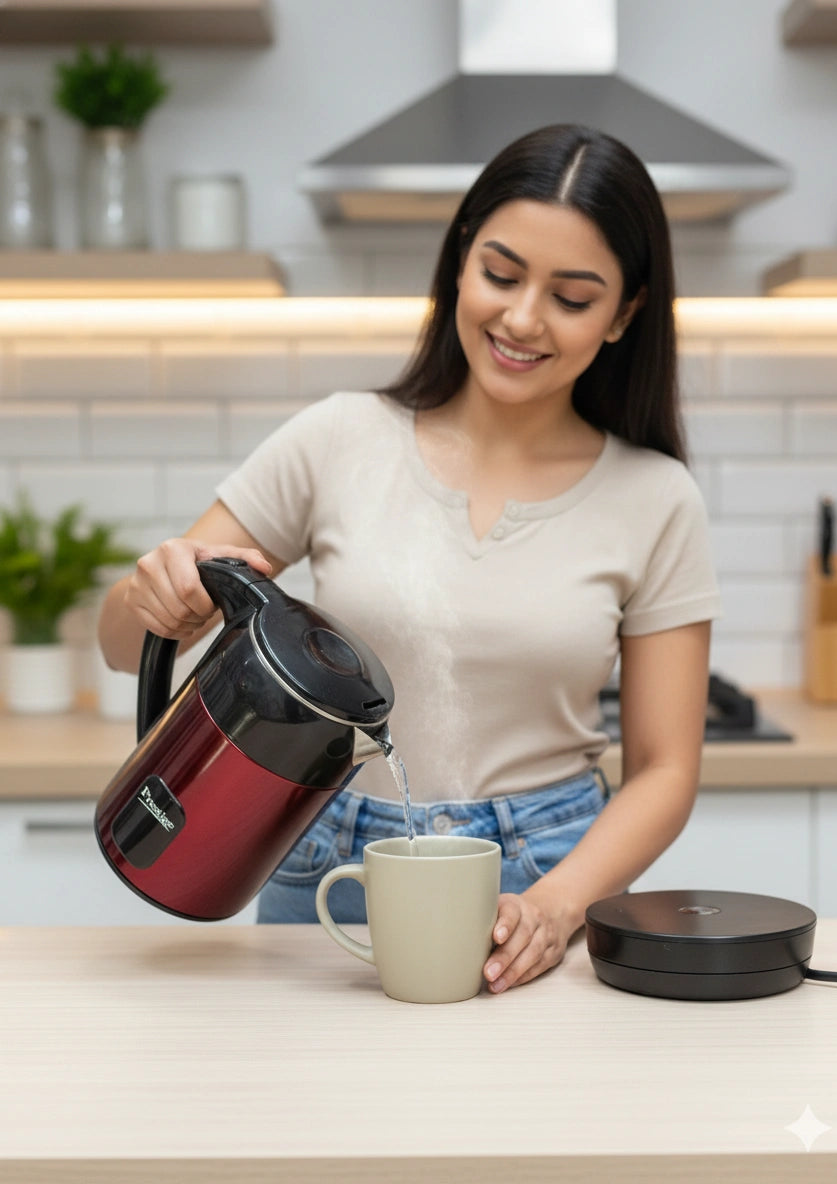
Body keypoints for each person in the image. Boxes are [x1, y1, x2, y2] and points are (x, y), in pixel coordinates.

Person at [99, 123, 722, 994]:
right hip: (324, 857)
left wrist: (556, 905)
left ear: (623, 315)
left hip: (547, 873)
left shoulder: (658, 500)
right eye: (501, 274)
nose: (522, 317)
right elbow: (124, 646)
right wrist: (156, 596)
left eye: (572, 298)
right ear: (460, 260)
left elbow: (665, 770)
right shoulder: (338, 438)